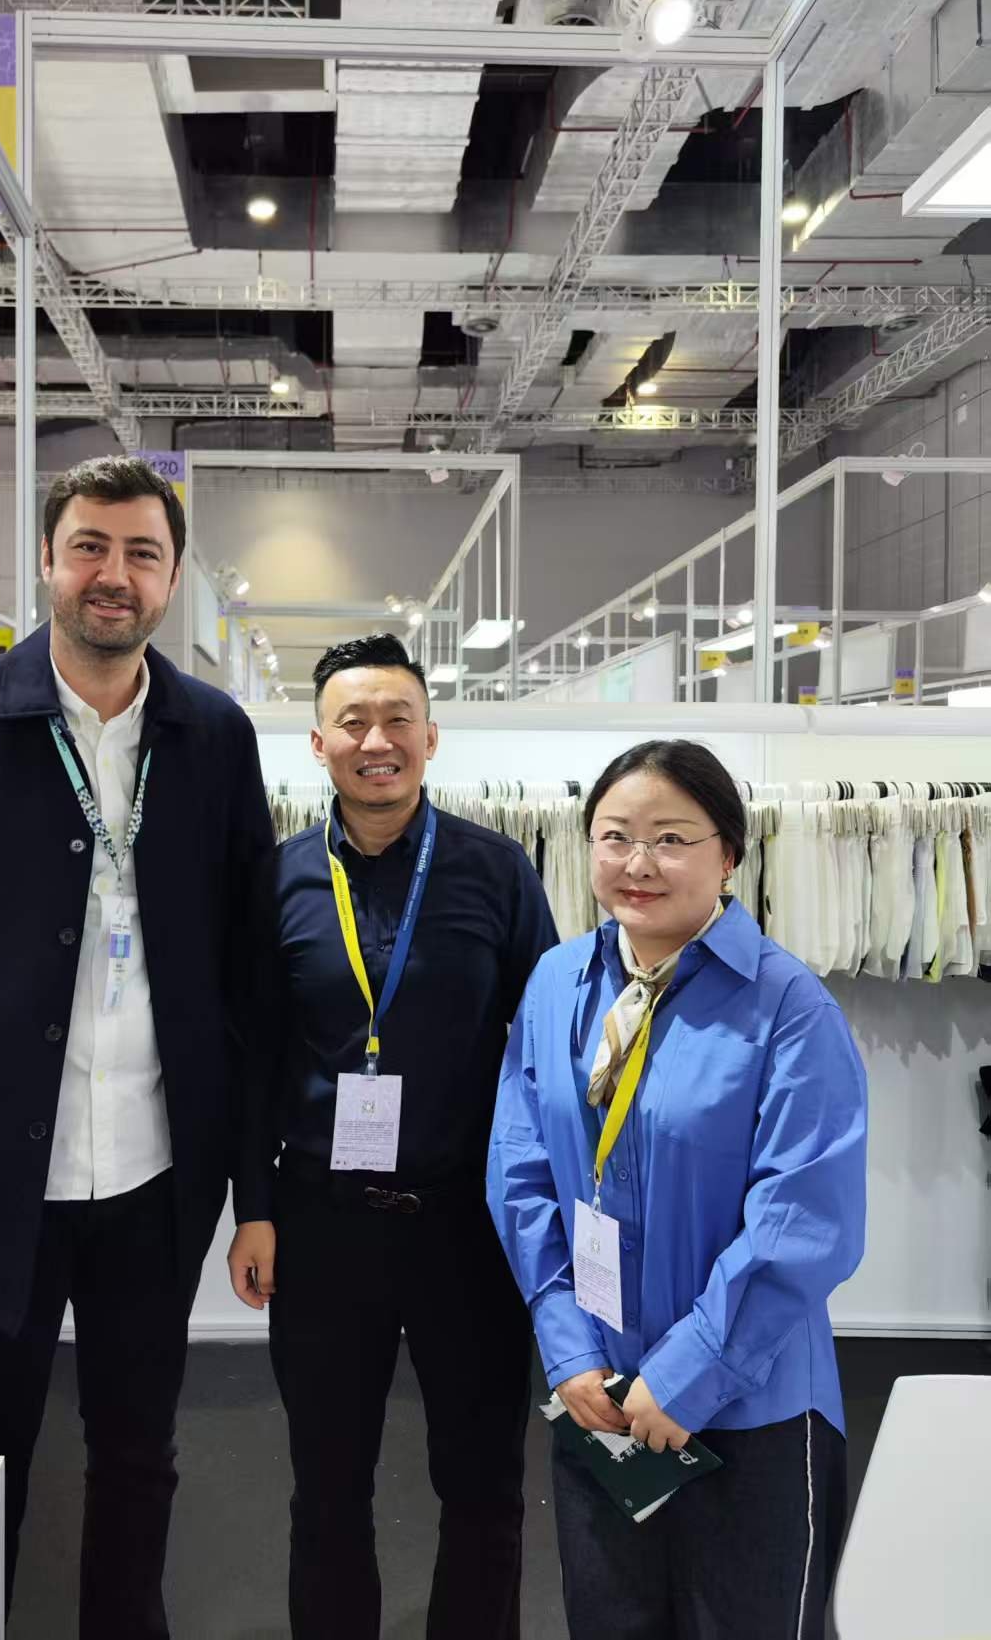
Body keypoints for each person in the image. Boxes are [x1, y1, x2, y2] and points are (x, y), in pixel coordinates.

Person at [0, 455, 273, 1638]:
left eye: (142, 553)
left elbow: (249, 973)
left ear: (172, 576)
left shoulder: (214, 737)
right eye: (90, 547)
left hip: (153, 1174)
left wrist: (256, 1186)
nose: (113, 575)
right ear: (48, 559)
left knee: (138, 1446)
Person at [487, 740, 868, 1640]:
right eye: (615, 836)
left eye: (669, 838)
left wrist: (685, 1375)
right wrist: (567, 1346)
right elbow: (520, 1168)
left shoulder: (787, 1007)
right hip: (600, 1391)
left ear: (727, 853)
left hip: (751, 1405)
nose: (638, 863)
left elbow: (801, 1221)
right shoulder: (556, 983)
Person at [229, 632, 558, 1640]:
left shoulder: (497, 871)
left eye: (397, 720)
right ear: (318, 743)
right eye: (354, 722)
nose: (377, 741)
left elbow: (543, 1052)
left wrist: (544, 1214)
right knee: (327, 1485)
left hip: (467, 1224)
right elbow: (252, 1057)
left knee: (483, 1483)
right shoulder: (274, 878)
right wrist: (252, 1210)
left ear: (430, 735)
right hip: (322, 1222)